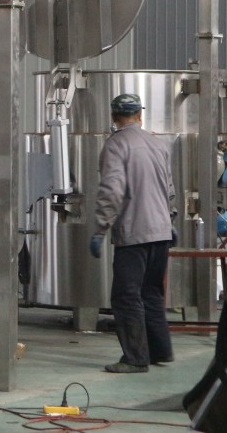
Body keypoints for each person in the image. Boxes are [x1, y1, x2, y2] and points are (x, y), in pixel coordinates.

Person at [89, 93, 176, 374]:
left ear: (114, 117)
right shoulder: (157, 143)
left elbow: (112, 189)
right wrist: (170, 220)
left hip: (134, 232)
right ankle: (161, 350)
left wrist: (101, 228)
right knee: (151, 292)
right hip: (161, 231)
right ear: (140, 115)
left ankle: (136, 358)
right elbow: (169, 187)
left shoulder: (116, 145)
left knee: (126, 296)